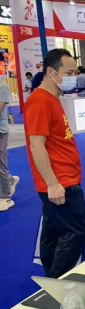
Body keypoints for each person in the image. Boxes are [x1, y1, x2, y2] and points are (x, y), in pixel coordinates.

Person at [24, 48, 85, 278]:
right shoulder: (40, 101)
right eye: (68, 73)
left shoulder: (51, 98)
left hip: (64, 178)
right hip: (61, 182)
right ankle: (56, 282)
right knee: (74, 234)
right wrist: (52, 183)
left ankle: (50, 276)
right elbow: (36, 146)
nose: (73, 77)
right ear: (51, 72)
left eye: (75, 72)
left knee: (52, 232)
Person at [0, 78, 19, 211]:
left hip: (0, 132)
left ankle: (5, 197)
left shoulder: (3, 86)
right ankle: (9, 180)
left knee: (0, 164)